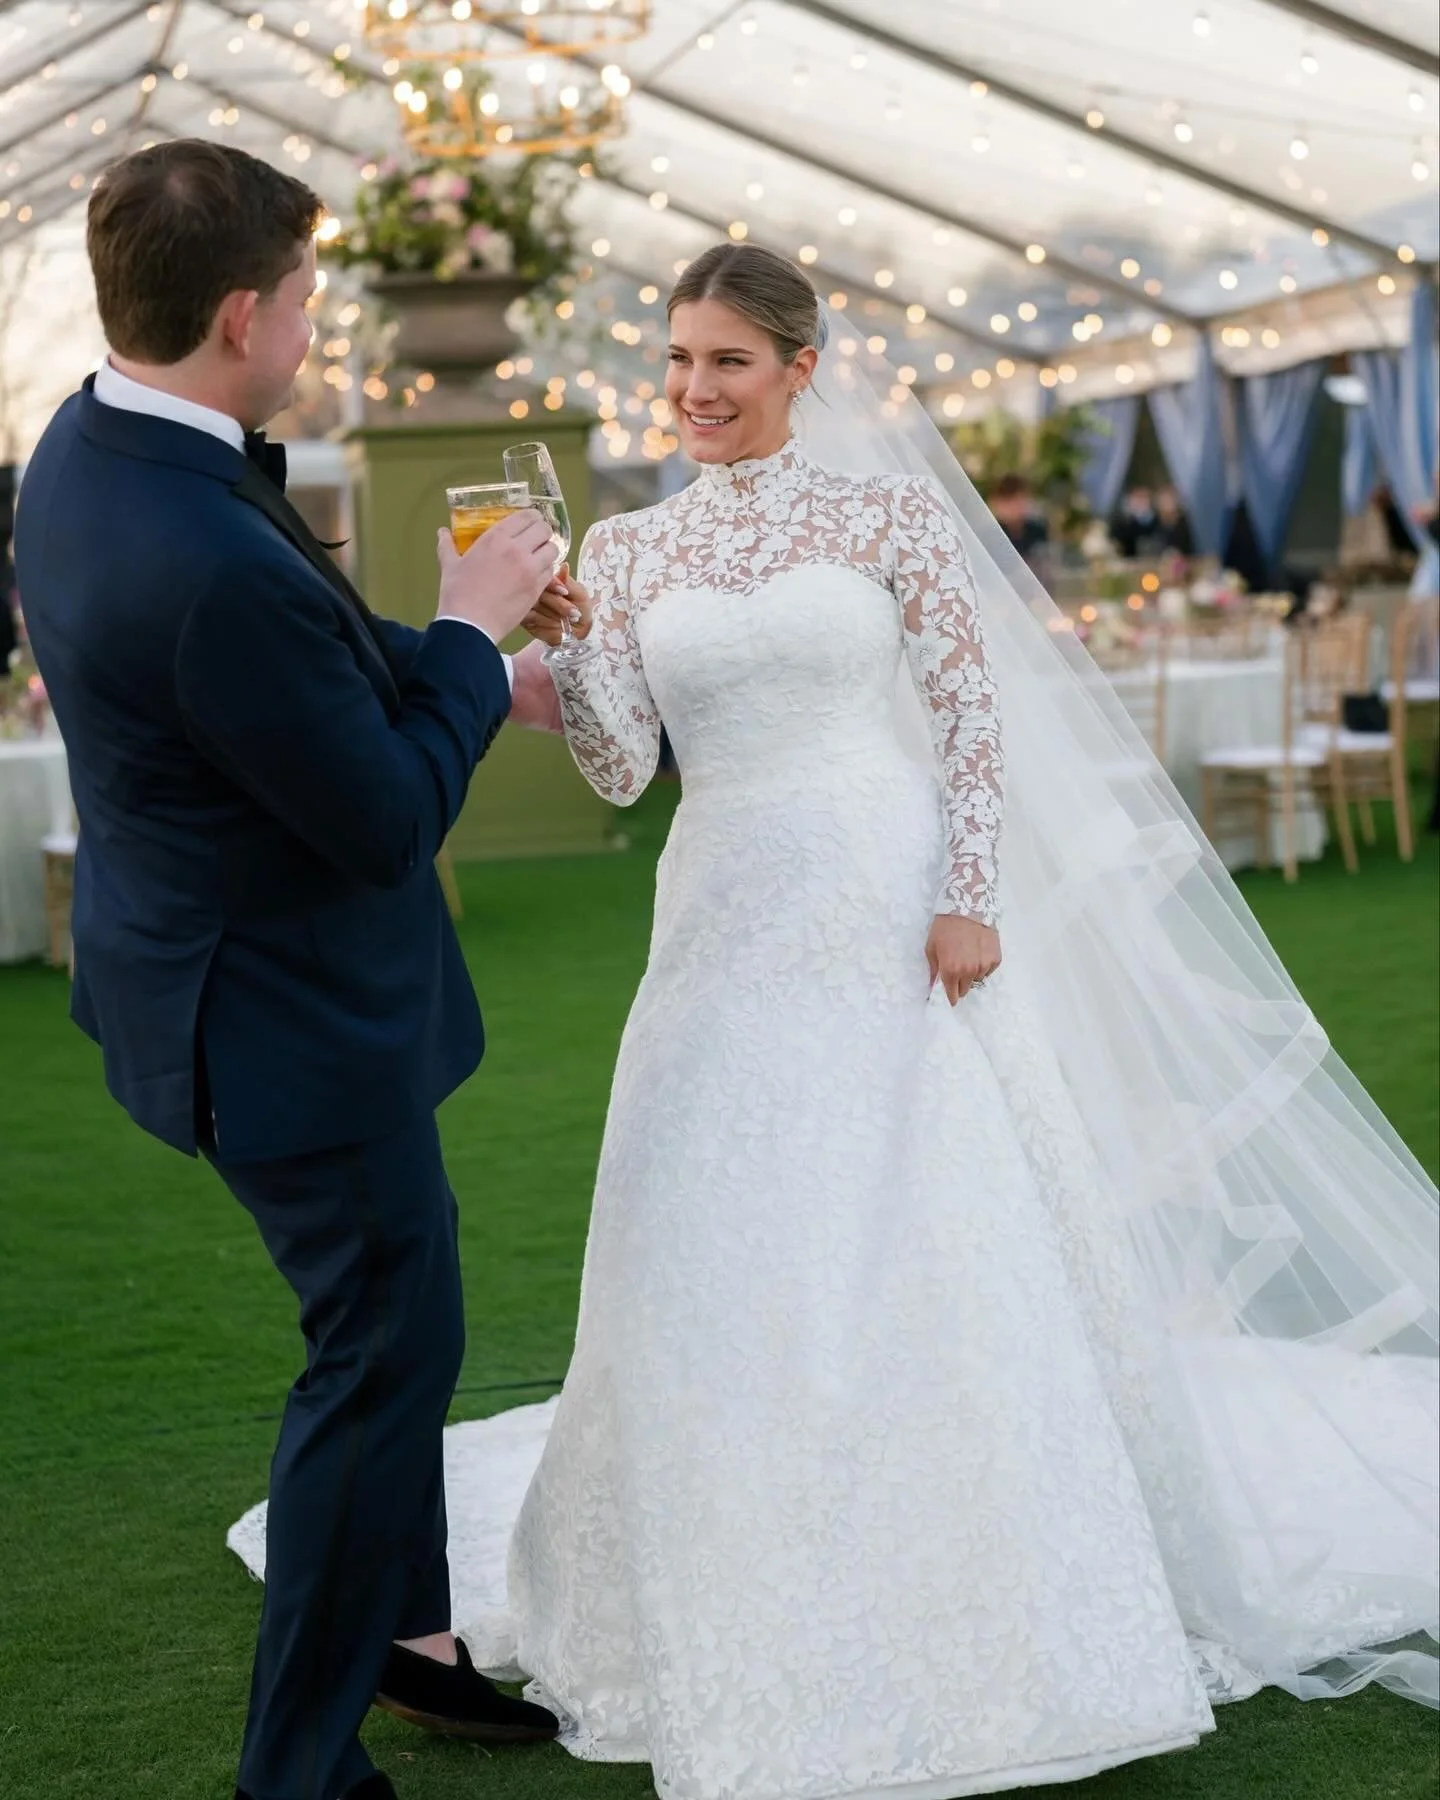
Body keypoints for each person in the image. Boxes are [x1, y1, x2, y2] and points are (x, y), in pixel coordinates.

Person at [403, 244, 1434, 1799]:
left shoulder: (887, 520)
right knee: (721, 1215)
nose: (694, 389)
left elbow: (967, 709)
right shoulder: (627, 547)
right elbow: (621, 767)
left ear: (800, 369)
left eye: (729, 362)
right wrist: (562, 631)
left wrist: (970, 896)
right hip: (726, 914)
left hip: (887, 899)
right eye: (679, 359)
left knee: (933, 1212)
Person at [14, 141, 573, 1800]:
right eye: (314, 297)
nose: (322, 323)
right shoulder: (190, 554)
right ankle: (302, 1773)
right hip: (280, 1029)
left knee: (400, 1316)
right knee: (382, 1349)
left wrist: (453, 668)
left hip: (220, 978)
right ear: (248, 311)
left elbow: (301, 660)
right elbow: (385, 813)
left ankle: (410, 1643)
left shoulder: (99, 435)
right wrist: (472, 638)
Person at [986, 469, 1050, 577]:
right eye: (1009, 500)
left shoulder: (1038, 530)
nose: (1015, 507)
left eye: (1020, 499)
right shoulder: (990, 535)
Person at [1108, 482, 1157, 558]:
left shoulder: (1157, 520)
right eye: (1138, 497)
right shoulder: (1121, 522)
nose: (1141, 501)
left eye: (1144, 497)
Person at [1154, 483, 1195, 557]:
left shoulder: (1185, 523)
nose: (1167, 504)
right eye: (1164, 500)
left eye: (1169, 499)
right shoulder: (1155, 523)